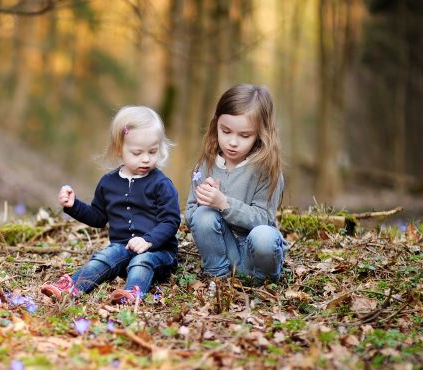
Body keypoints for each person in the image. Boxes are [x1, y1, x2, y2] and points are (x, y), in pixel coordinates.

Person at [40, 106, 180, 304]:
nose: (146, 158)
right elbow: (98, 217)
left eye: (153, 151)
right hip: (122, 248)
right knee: (103, 258)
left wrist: (148, 240)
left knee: (142, 261)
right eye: (137, 152)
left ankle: (132, 294)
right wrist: (73, 206)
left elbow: (170, 221)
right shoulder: (109, 183)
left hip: (159, 251)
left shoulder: (161, 184)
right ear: (119, 150)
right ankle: (71, 287)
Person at [185, 83, 286, 285]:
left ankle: (262, 281)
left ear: (260, 133)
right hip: (223, 253)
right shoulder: (206, 165)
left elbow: (264, 220)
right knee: (203, 215)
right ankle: (219, 277)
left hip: (254, 255)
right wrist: (205, 202)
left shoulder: (266, 170)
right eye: (226, 131)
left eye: (244, 135)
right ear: (216, 125)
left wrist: (224, 203)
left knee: (264, 236)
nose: (232, 142)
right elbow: (190, 216)